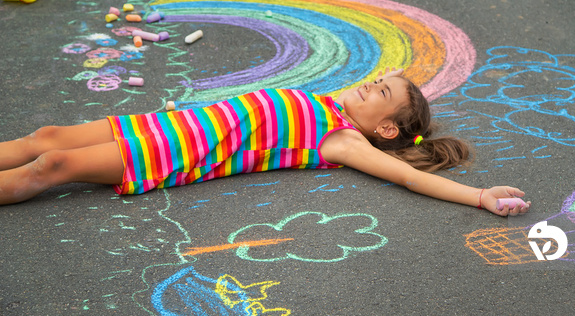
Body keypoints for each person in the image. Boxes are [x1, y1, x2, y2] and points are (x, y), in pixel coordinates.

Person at [0, 68, 530, 215]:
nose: (371, 83)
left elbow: (409, 176)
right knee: (46, 137)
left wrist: (480, 196)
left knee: (54, 163)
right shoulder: (327, 102)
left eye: (381, 90)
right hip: (165, 124)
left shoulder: (340, 138)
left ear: (386, 128)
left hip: (174, 151)